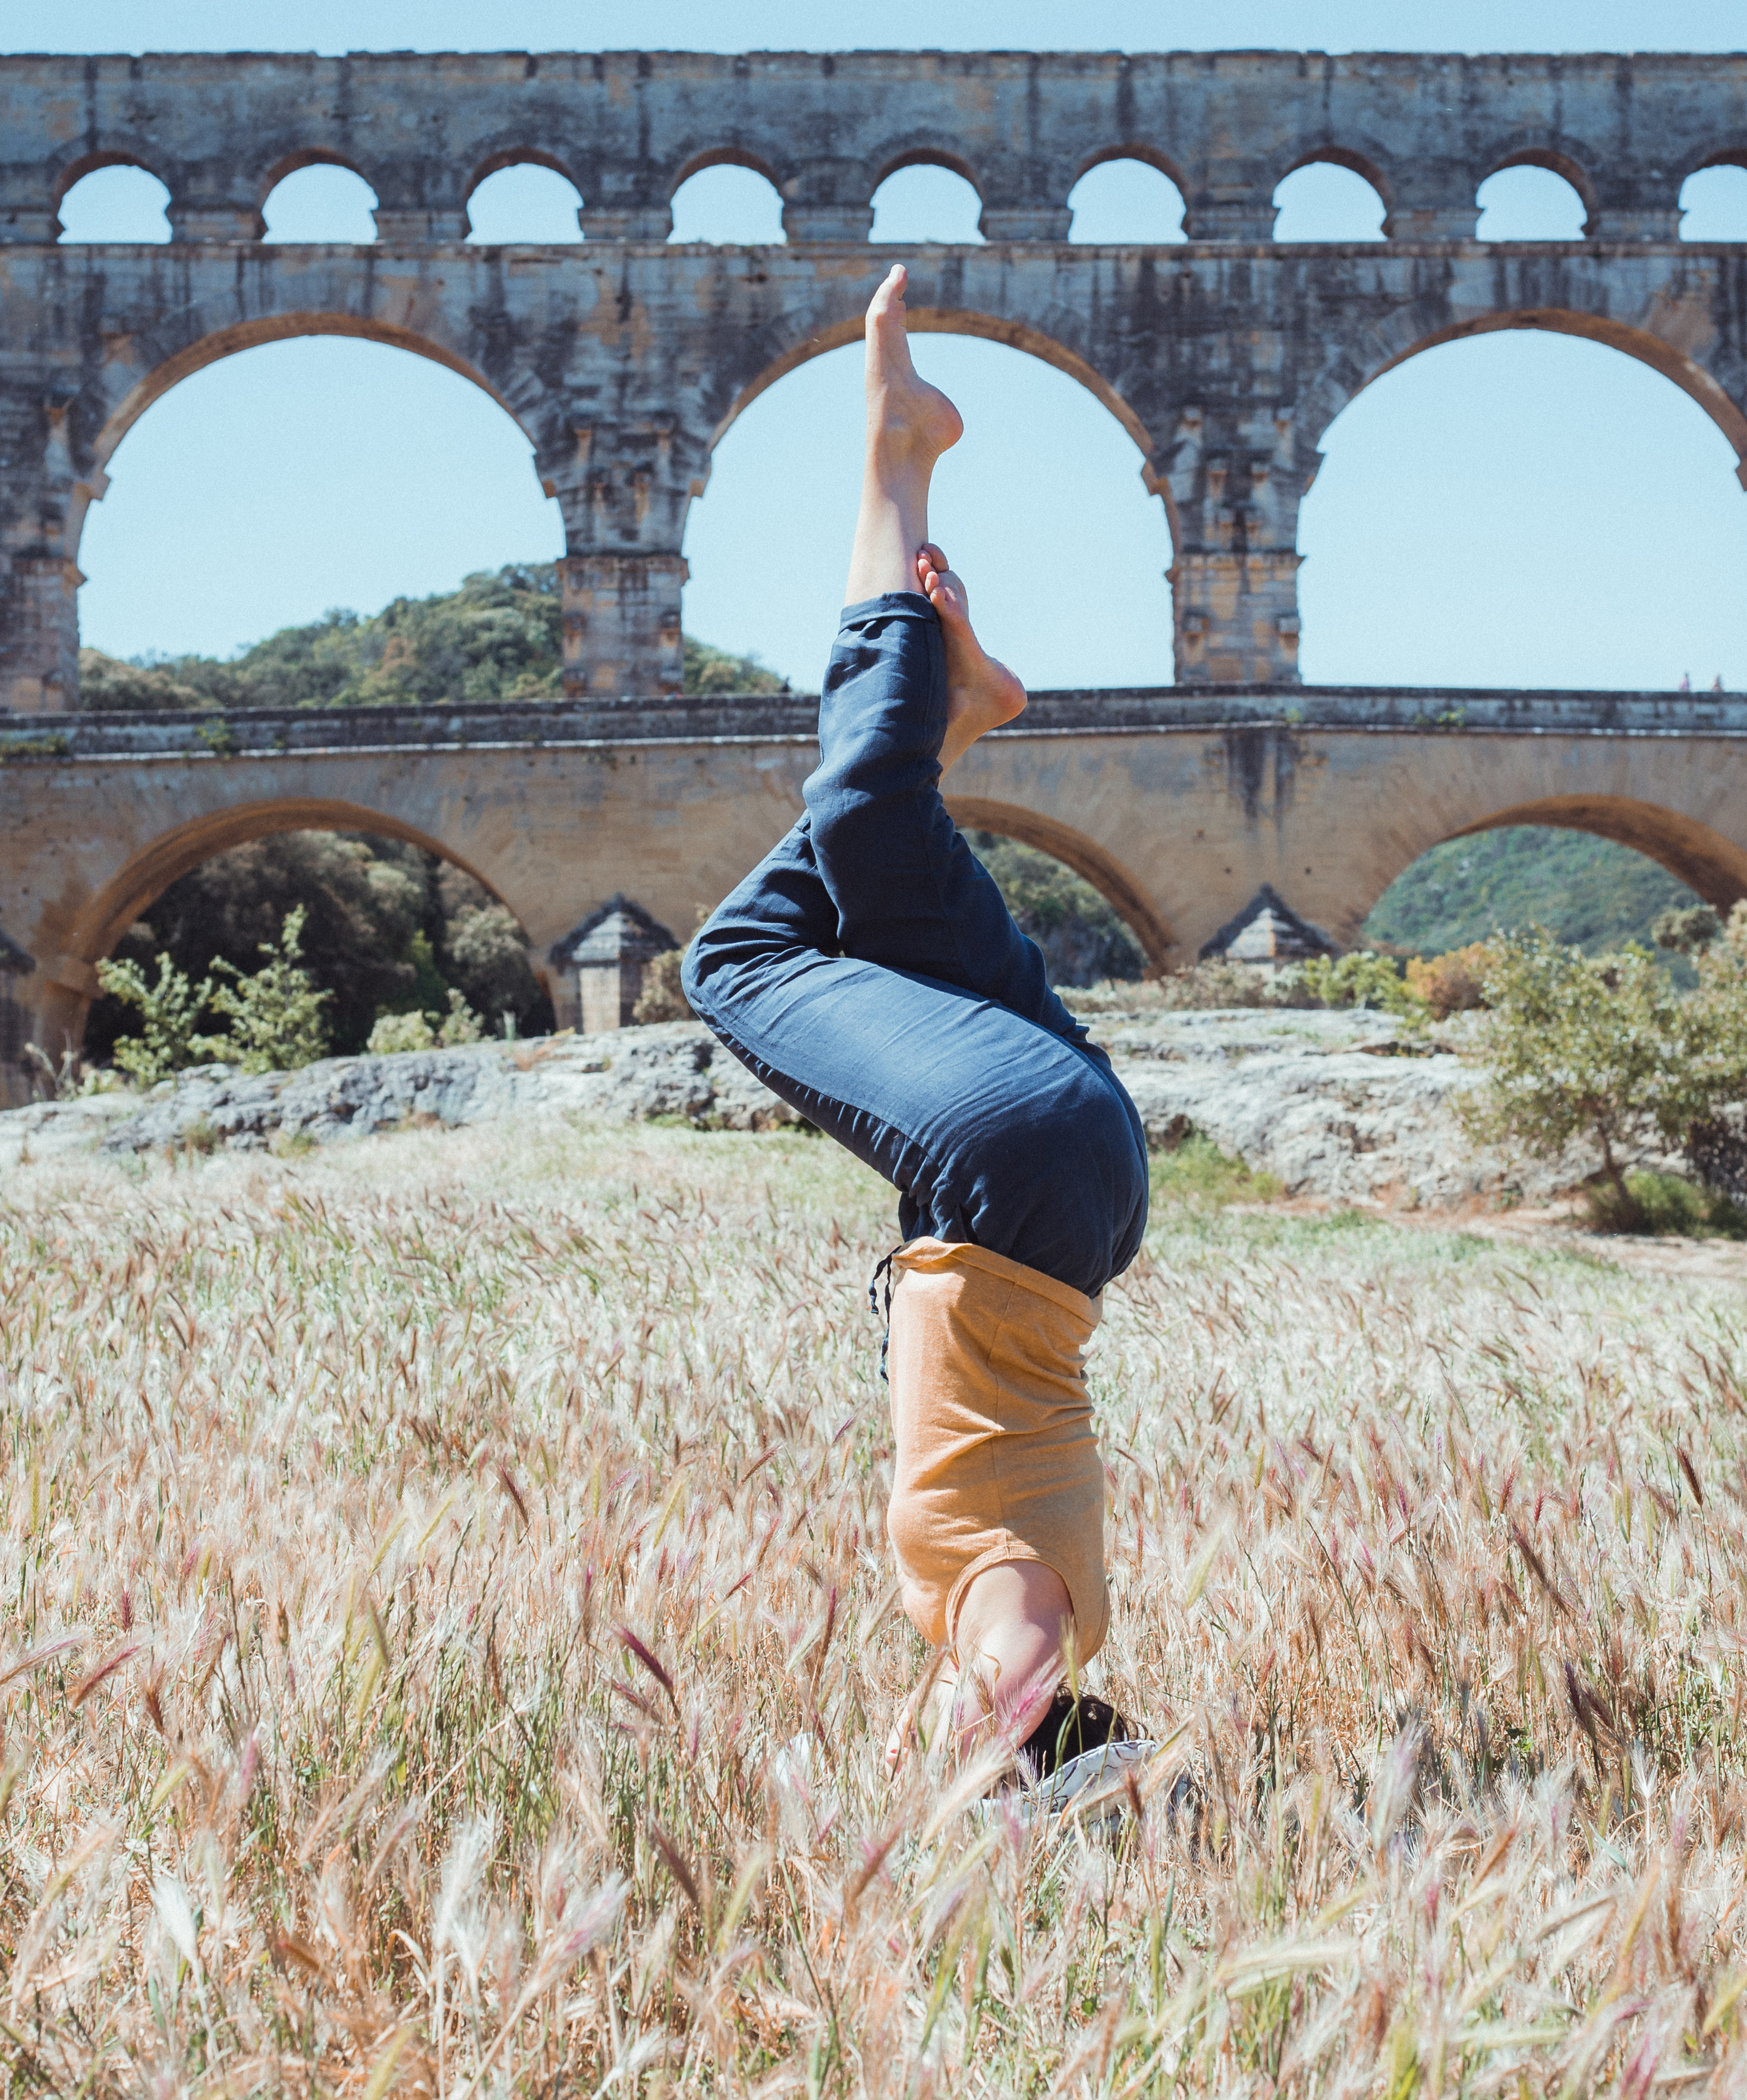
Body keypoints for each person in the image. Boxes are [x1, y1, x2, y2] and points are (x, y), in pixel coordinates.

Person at [683, 263, 1151, 1787]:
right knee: (737, 953)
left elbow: (1021, 1670)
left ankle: (947, 705)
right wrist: (971, 1771)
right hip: (1013, 1165)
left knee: (876, 863)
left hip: (1081, 1153)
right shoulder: (1002, 1586)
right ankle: (895, 471)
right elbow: (1007, 1681)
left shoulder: (1068, 1578)